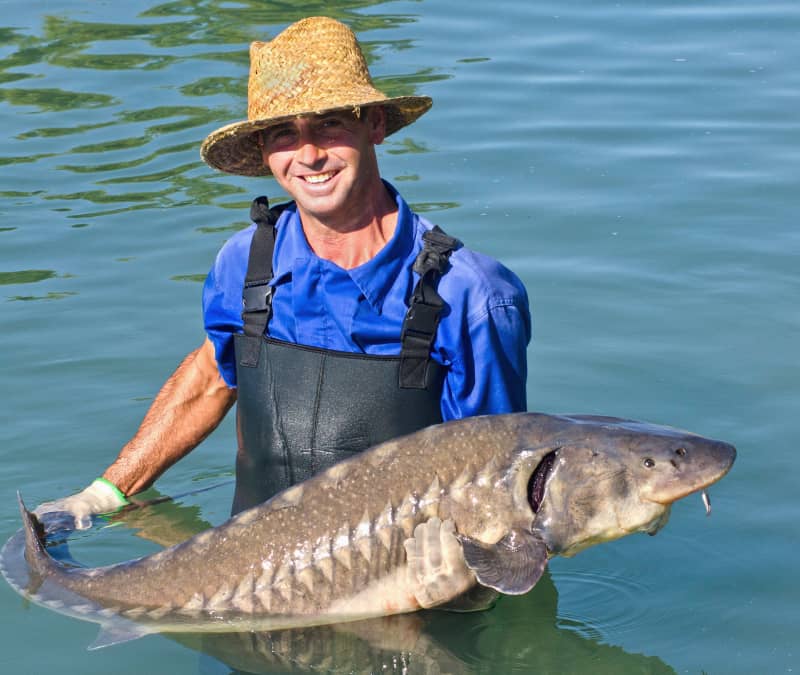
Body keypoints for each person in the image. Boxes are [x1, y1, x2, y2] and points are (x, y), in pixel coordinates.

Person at [35, 16, 530, 526]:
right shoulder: (247, 259)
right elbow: (213, 375)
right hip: (242, 572)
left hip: (402, 577)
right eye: (283, 134)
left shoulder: (471, 294)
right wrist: (103, 493)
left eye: (330, 123)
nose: (310, 155)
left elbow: (494, 479)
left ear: (375, 125)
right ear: (265, 152)